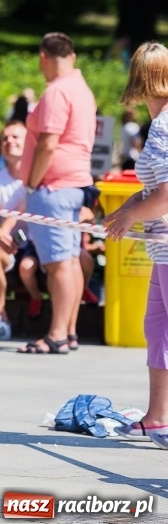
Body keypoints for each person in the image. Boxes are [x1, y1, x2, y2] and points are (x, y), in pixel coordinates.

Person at [103, 41, 168, 448]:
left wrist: (129, 215)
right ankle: (157, 416)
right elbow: (154, 190)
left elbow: (166, 193)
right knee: (157, 331)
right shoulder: (160, 124)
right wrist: (130, 204)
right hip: (162, 249)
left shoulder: (162, 129)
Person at [18, 32, 96, 355]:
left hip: (53, 187)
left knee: (59, 264)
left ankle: (56, 334)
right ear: (73, 56)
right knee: (72, 262)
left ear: (43, 58)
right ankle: (70, 330)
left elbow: (48, 143)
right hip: (75, 184)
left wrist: (33, 183)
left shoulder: (56, 91)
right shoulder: (82, 89)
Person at [0, 121, 42, 342]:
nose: (9, 142)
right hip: (11, 247)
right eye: (5, 138)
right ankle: (1, 319)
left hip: (41, 245)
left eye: (15, 138)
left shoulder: (40, 175)